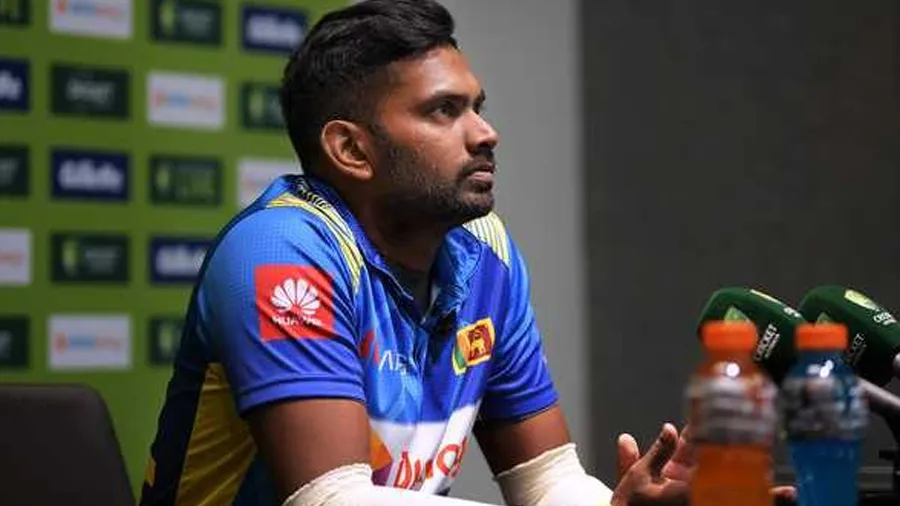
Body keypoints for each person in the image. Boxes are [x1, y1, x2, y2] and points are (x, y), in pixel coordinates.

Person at [137, 1, 714, 505]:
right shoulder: (283, 251)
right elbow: (332, 499)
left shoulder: (486, 252)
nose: (485, 133)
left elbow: (547, 482)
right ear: (351, 149)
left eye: (477, 106)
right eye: (444, 110)